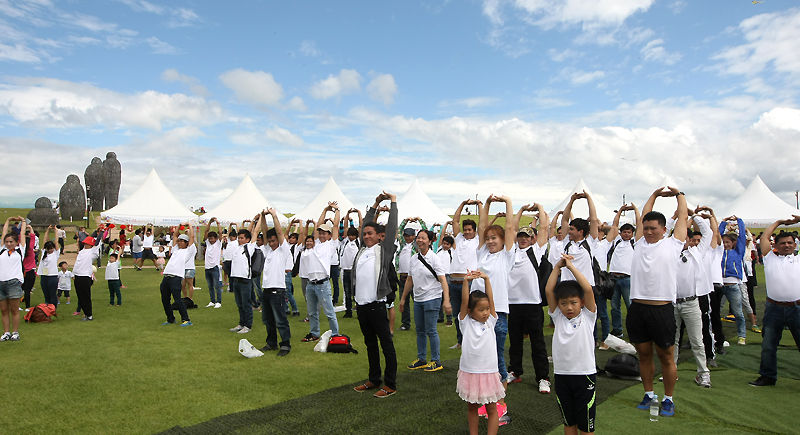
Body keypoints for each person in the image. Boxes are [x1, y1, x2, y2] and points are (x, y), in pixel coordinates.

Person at [629, 186, 687, 418]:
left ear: (664, 229)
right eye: (646, 228)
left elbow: (682, 216)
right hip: (638, 309)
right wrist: (654, 194)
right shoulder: (640, 243)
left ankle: (668, 398)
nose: (649, 232)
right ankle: (649, 393)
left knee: (665, 356)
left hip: (661, 310)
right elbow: (646, 212)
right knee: (643, 355)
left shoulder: (673, 244)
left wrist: (678, 194)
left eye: (654, 228)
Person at [473, 194, 515, 424]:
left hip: (497, 314)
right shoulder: (482, 254)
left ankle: (500, 405)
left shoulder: (506, 257)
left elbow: (509, 226)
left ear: (502, 241)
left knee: (497, 357)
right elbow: (482, 225)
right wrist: (487, 205)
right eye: (488, 238)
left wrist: (507, 202)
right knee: (483, 358)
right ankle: (487, 400)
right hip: (478, 316)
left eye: (494, 238)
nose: (490, 241)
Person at [352, 191, 399, 398]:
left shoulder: (384, 249)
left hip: (376, 305)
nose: (366, 236)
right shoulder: (362, 250)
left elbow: (392, 226)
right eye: (365, 234)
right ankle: (374, 379)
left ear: (379, 236)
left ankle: (390, 384)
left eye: (370, 233)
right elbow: (366, 223)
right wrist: (375, 204)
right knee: (370, 344)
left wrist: (393, 202)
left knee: (386, 345)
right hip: (362, 306)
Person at [545, 254, 597, 435]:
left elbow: (588, 289)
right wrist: (557, 267)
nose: (569, 307)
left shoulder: (588, 316)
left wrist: (571, 267)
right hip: (562, 375)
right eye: (564, 303)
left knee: (586, 425)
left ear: (581, 303)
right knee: (569, 421)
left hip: (584, 375)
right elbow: (549, 290)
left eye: (573, 303)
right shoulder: (558, 316)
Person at [749, 216, 800, 386]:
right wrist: (778, 222)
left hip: (797, 308)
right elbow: (764, 238)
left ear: (795, 244)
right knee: (769, 345)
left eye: (790, 242)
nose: (787, 245)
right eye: (783, 243)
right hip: (774, 308)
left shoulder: (798, 259)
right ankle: (768, 376)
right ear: (775, 245)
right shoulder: (770, 258)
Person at [507, 204, 551, 394]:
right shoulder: (510, 252)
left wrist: (540, 208)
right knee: (515, 342)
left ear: (532, 239)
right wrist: (521, 210)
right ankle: (515, 371)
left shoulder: (537, 251)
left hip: (533, 304)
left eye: (527, 236)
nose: (523, 239)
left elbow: (543, 228)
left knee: (538, 343)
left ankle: (543, 378)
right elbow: (510, 227)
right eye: (521, 236)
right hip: (514, 304)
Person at [549, 191, 601, 347]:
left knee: (587, 321)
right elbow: (564, 219)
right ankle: (564, 346)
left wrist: (589, 199)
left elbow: (593, 219)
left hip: (585, 288)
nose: (569, 231)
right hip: (567, 286)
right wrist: (571, 200)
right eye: (569, 229)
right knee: (563, 319)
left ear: (581, 231)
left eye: (572, 229)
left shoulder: (590, 242)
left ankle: (590, 346)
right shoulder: (567, 241)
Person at [457, 271, 504, 435]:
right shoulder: (465, 322)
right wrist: (465, 282)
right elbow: (464, 301)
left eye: (487, 309)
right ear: (470, 311)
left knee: (492, 408)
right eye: (481, 309)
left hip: (488, 371)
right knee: (472, 407)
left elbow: (491, 299)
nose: (485, 312)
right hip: (470, 372)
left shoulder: (491, 320)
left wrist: (486, 279)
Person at [399, 229, 451, 372]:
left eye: (423, 238)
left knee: (431, 330)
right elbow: (410, 280)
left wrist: (446, 301)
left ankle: (436, 360)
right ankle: (421, 359)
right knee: (420, 330)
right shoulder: (414, 259)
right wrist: (403, 299)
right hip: (418, 299)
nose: (420, 240)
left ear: (430, 241)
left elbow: (443, 280)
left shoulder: (434, 259)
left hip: (432, 298)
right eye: (418, 238)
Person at [672, 211, 713, 388]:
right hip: (672, 303)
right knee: (672, 341)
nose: (681, 242)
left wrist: (693, 215)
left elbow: (708, 233)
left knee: (697, 340)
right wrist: (675, 218)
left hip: (691, 302)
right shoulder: (669, 252)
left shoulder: (697, 252)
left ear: (689, 240)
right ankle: (670, 372)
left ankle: (703, 373)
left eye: (684, 239)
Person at [299, 203, 341, 342]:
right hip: (311, 283)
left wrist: (336, 211)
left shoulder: (331, 244)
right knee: (312, 312)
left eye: (325, 233)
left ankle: (335, 335)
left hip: (323, 284)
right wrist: (325, 209)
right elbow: (319, 222)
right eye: (320, 233)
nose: (322, 235)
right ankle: (314, 333)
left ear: (329, 235)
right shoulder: (316, 244)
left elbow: (335, 226)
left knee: (329, 312)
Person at [257, 208, 292, 357]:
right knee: (267, 319)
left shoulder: (283, 250)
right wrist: (263, 217)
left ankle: (285, 345)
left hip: (278, 290)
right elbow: (266, 232)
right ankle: (271, 343)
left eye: (273, 241)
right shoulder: (268, 250)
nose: (271, 243)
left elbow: (278, 232)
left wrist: (274, 216)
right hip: (266, 290)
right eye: (269, 241)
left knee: (280, 320)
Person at [449, 199, 482, 349]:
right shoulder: (459, 238)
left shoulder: (477, 240)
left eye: (470, 229)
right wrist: (462, 204)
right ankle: (461, 341)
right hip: (453, 281)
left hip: (467, 282)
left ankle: (472, 340)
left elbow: (482, 223)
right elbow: (455, 221)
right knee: (458, 314)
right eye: (465, 229)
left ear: (474, 231)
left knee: (470, 312)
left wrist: (479, 205)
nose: (467, 232)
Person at [607, 204, 640, 338]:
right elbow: (614, 225)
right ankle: (617, 330)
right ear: (620, 233)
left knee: (630, 307)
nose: (626, 234)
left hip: (627, 279)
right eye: (624, 231)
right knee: (615, 308)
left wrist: (636, 210)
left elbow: (640, 224)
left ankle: (634, 331)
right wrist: (620, 211)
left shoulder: (635, 243)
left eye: (629, 232)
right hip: (613, 278)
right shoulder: (616, 242)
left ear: (632, 234)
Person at [719, 216, 748, 345]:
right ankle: (715, 335)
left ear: (732, 243)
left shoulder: (738, 252)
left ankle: (742, 336)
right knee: (715, 313)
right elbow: (716, 236)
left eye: (727, 242)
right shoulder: (718, 252)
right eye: (723, 242)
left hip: (733, 285)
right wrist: (723, 222)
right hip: (718, 286)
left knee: (738, 312)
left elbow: (742, 237)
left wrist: (739, 222)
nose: (725, 244)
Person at [159, 225, 194, 327]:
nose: (179, 242)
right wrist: (179, 226)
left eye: (182, 241)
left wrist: (190, 226)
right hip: (166, 277)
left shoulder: (188, 251)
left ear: (186, 243)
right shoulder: (175, 250)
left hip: (176, 278)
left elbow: (191, 237)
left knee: (178, 300)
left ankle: (186, 320)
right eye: (179, 241)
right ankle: (170, 319)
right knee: (165, 300)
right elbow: (174, 235)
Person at [1, 217, 27, 341]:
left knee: (14, 310)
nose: (8, 244)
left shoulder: (19, 251)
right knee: (4, 310)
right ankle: (6, 332)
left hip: (13, 283)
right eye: (7, 242)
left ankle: (15, 332)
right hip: (1, 283)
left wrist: (23, 221)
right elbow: (4, 232)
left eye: (11, 241)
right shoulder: (2, 250)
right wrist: (8, 220)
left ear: (16, 242)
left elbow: (22, 233)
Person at [229, 220, 257, 334]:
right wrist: (252, 220)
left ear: (247, 240)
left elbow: (253, 233)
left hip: (245, 280)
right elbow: (244, 231)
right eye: (239, 238)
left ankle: (247, 325)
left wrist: (258, 221)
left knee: (246, 304)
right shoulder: (237, 248)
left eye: (242, 238)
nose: (240, 239)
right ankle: (241, 323)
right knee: (239, 304)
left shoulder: (249, 248)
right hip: (235, 280)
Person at [73, 234, 102, 321]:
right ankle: (86, 313)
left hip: (85, 276)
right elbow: (77, 263)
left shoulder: (93, 252)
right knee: (80, 296)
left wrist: (102, 231)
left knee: (85, 296)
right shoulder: (82, 251)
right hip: (77, 276)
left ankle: (89, 315)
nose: (84, 244)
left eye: (86, 243)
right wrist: (73, 274)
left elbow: (98, 241)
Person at [340, 209, 362, 318]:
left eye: (353, 235)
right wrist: (347, 215)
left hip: (356, 271)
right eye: (350, 235)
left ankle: (359, 310)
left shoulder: (358, 242)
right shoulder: (345, 242)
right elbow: (345, 228)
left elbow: (361, 226)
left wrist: (358, 213)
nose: (351, 237)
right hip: (346, 270)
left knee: (357, 292)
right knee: (347, 292)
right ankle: (348, 311)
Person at [38, 225, 61, 308]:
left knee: (52, 294)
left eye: (51, 248)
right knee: (46, 294)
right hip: (44, 276)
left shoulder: (55, 253)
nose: (50, 250)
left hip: (52, 276)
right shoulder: (44, 252)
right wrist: (47, 230)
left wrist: (55, 231)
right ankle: (47, 308)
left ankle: (53, 308)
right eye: (49, 249)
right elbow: (44, 240)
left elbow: (56, 241)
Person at [203, 218, 223, 308]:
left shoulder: (218, 244)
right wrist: (209, 223)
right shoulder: (208, 243)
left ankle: (218, 301)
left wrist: (218, 223)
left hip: (215, 267)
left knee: (217, 285)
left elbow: (220, 233)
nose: (210, 240)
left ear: (216, 239)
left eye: (212, 239)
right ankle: (212, 301)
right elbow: (206, 232)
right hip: (207, 268)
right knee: (210, 286)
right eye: (209, 239)